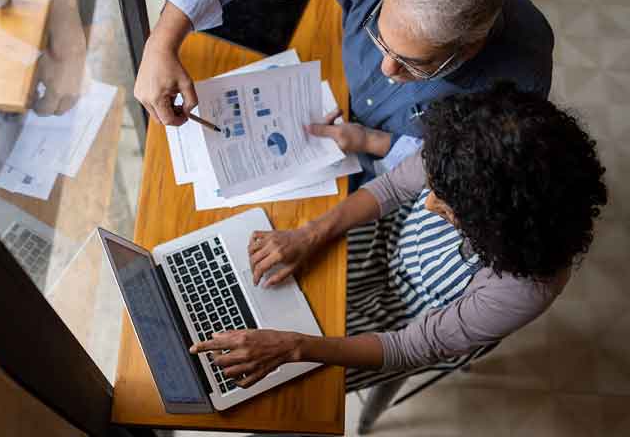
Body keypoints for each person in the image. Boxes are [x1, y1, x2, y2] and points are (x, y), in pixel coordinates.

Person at [188, 84, 607, 410]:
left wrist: (295, 346)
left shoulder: (524, 289)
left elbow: (411, 346)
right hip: (386, 242)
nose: (427, 203)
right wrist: (310, 234)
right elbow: (391, 185)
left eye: (447, 209)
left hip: (409, 322)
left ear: (496, 226)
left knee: (289, 392)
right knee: (256, 291)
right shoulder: (471, 146)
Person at [134, 0, 554, 178]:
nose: (388, 69)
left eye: (417, 64)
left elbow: (462, 169)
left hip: (391, 169)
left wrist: (374, 144)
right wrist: (162, 42)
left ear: (470, 46)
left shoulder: (521, 77)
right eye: (379, 35)